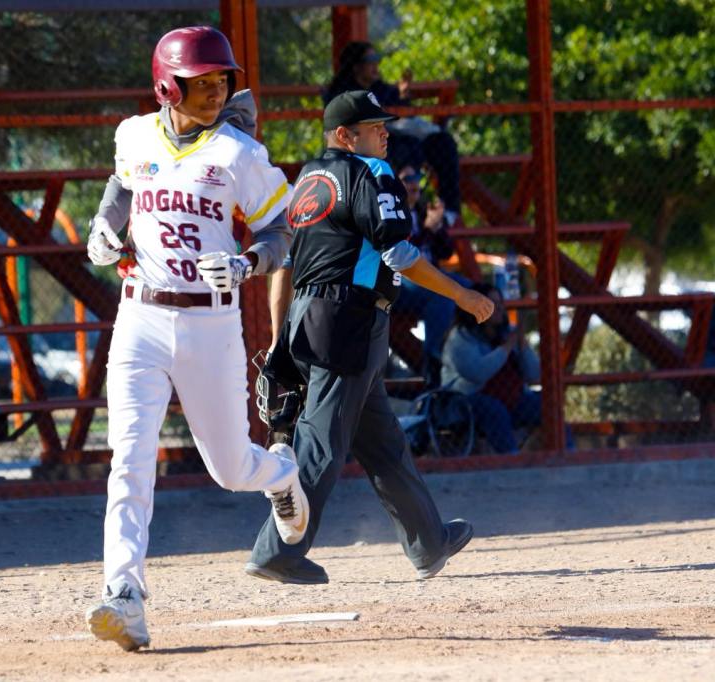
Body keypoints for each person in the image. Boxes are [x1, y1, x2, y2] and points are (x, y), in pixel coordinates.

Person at [82, 25, 309, 652]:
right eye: (200, 82)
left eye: (221, 81)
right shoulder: (134, 134)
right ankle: (124, 596)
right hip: (140, 318)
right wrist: (103, 229)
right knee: (129, 461)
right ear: (167, 86)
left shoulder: (239, 152)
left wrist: (247, 263)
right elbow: (121, 188)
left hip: (211, 324)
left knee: (231, 470)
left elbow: (281, 232)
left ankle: (280, 473)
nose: (215, 91)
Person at [245, 90, 494, 586]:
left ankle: (428, 542)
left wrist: (278, 336)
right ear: (345, 135)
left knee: (383, 443)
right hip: (351, 320)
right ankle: (277, 551)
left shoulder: (308, 180)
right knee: (321, 442)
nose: (385, 134)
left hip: (309, 317)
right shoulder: (372, 173)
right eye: (374, 128)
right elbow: (399, 255)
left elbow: (286, 264)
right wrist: (462, 294)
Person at [324, 41, 463, 229]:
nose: (376, 64)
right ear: (356, 65)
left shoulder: (379, 87)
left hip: (394, 140)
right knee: (405, 150)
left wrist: (402, 96)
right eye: (371, 59)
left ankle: (443, 212)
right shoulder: (342, 92)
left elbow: (399, 111)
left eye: (377, 58)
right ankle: (407, 211)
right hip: (359, 146)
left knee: (442, 142)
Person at [441, 282, 572, 454]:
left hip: (510, 398)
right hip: (466, 401)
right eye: (492, 303)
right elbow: (477, 373)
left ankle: (567, 453)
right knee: (494, 410)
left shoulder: (507, 333)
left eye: (500, 303)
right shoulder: (460, 338)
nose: (499, 309)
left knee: (546, 404)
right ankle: (511, 458)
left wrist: (522, 345)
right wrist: (506, 348)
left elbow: (534, 374)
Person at [391, 162, 467, 384]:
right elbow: (400, 254)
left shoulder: (423, 210)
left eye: (416, 179)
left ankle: (465, 359)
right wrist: (426, 230)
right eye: (407, 180)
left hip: (428, 277)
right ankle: (434, 360)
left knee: (473, 289)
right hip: (402, 281)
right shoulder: (392, 212)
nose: (414, 184)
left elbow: (446, 252)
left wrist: (438, 228)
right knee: (443, 295)